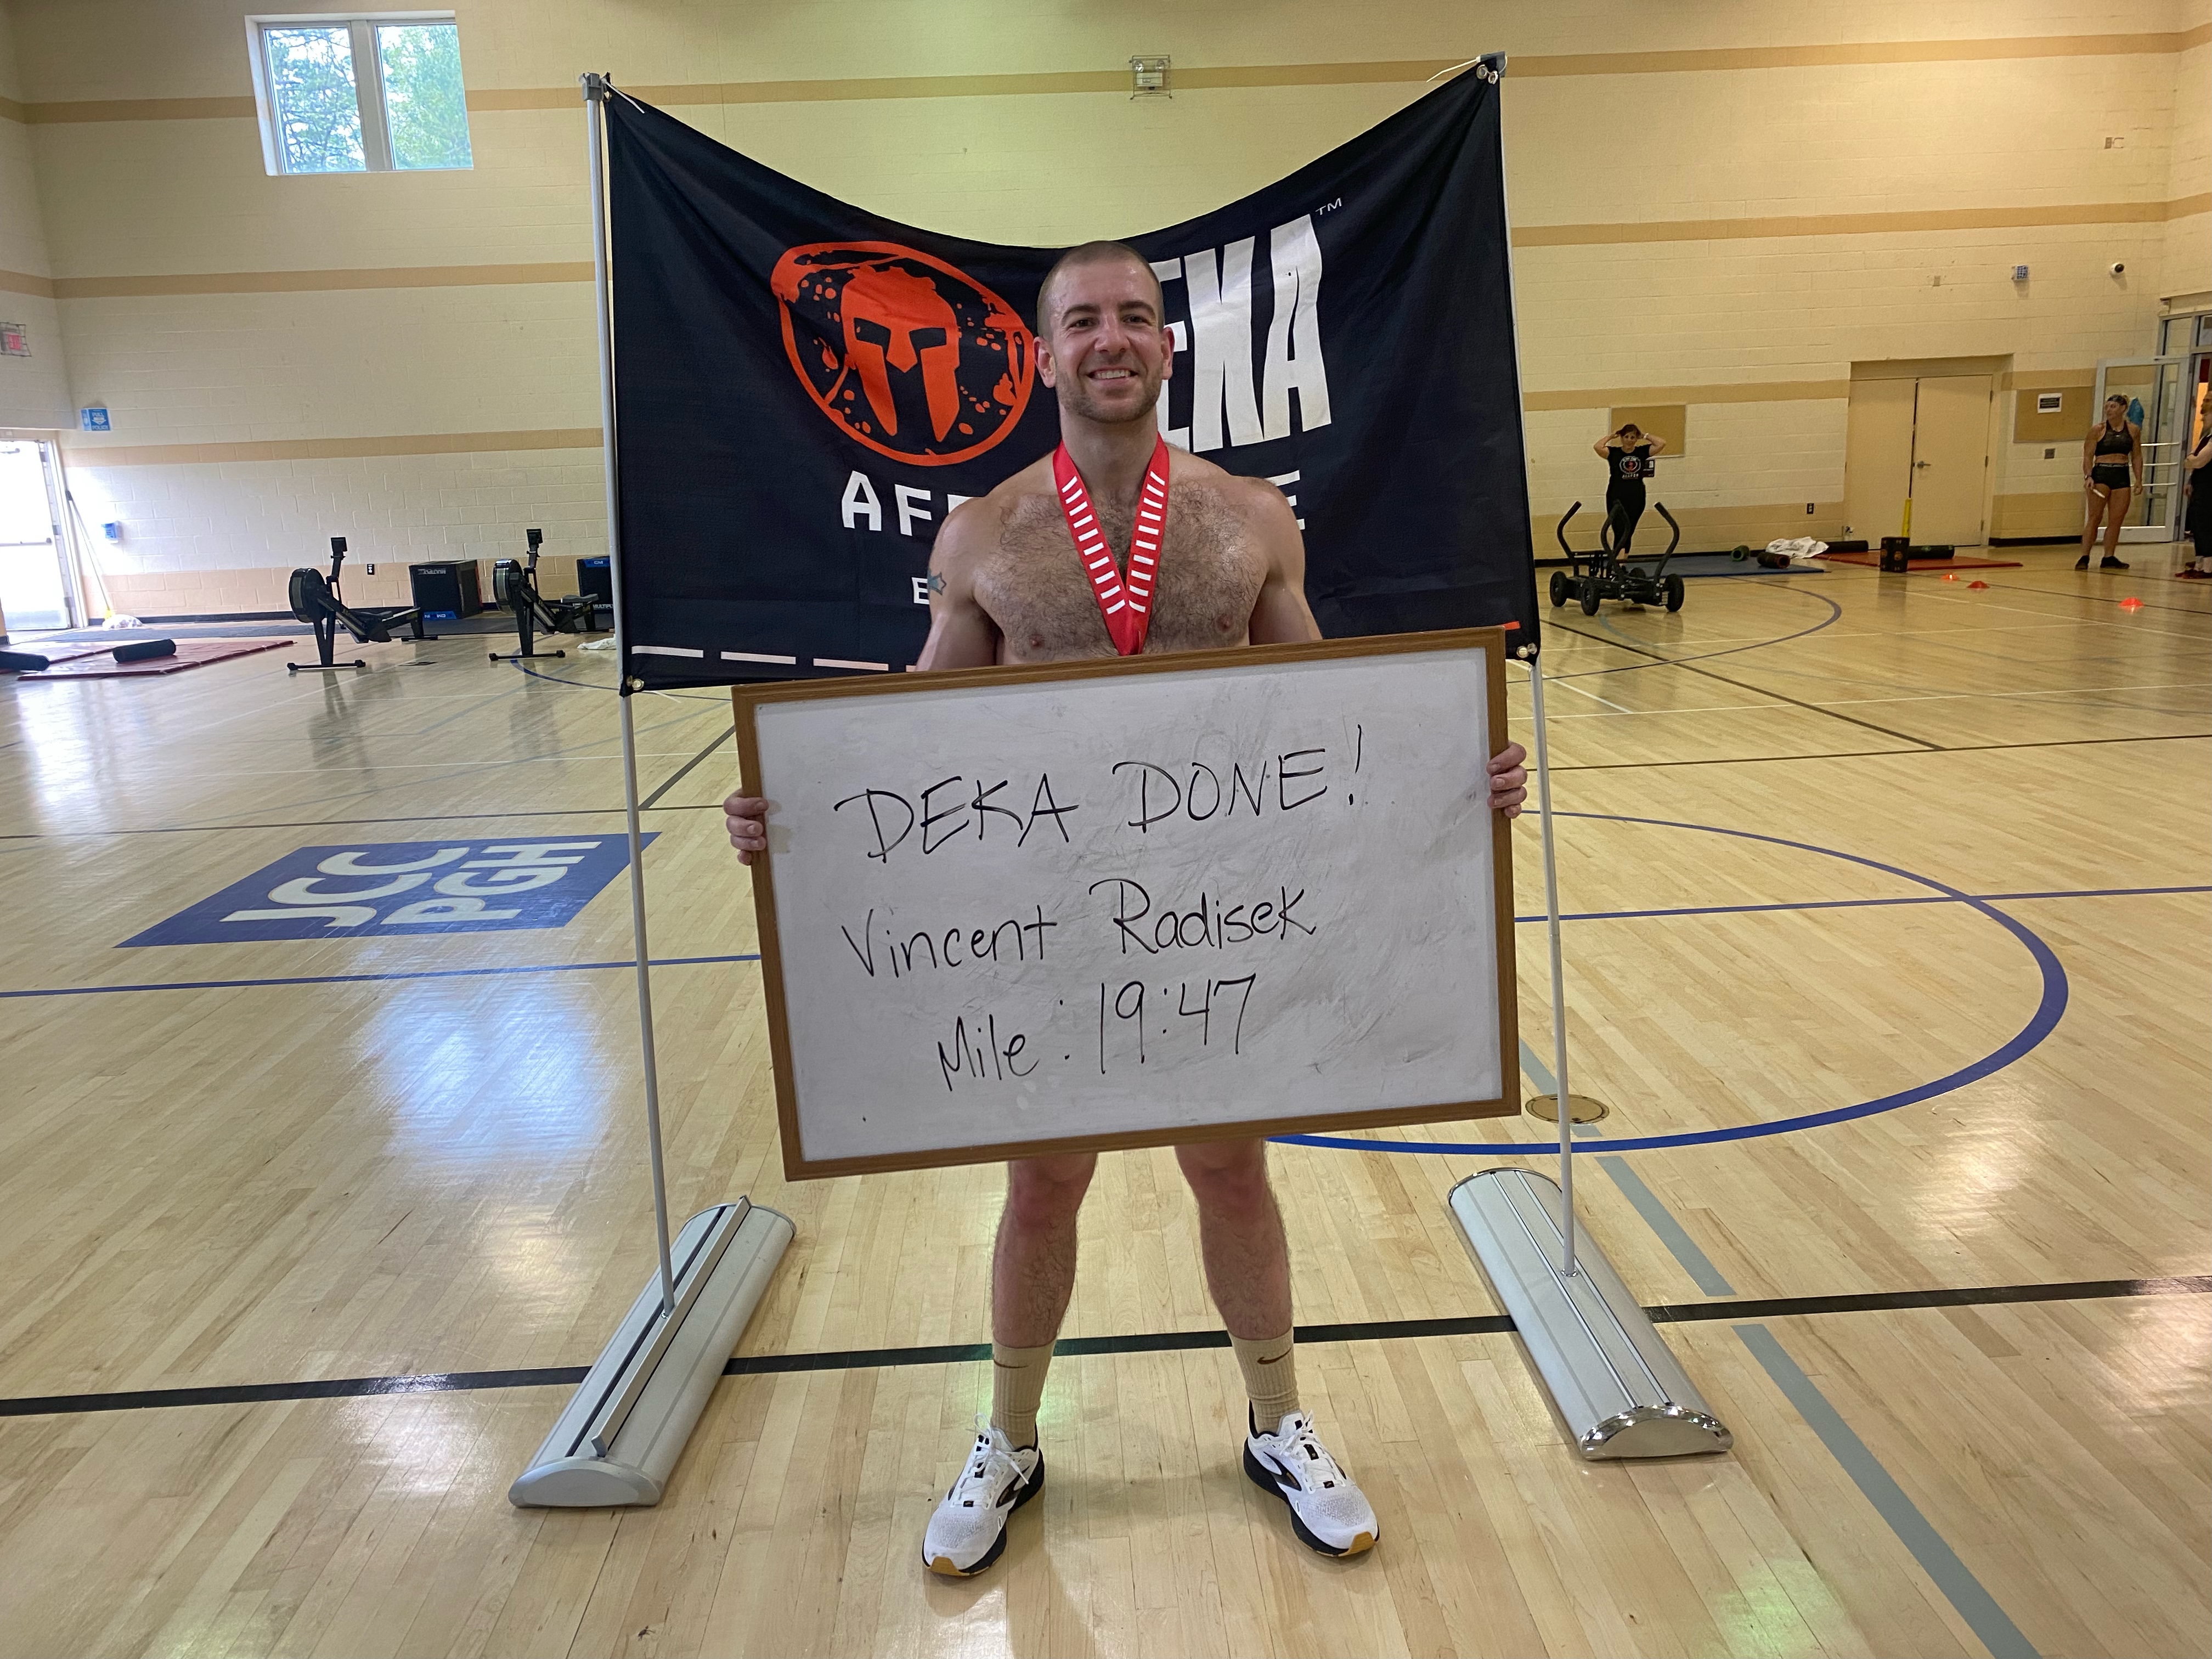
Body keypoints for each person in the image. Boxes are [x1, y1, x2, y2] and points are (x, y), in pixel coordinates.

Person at [723, 241, 1530, 1578]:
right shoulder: (984, 534)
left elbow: (1336, 717)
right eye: (1084, 319)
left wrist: (1459, 773)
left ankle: (1276, 1421)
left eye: (1137, 317)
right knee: (1043, 1185)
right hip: (1050, 930)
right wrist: (793, 817)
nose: (1113, 338)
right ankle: (1009, 1436)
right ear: (1043, 353)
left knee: (1231, 1170)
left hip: (1215, 921)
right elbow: (913, 743)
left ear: (1168, 346)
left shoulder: (1251, 518)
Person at [2077, 394, 2140, 571]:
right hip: (2102, 473)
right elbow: (2088, 456)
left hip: (2121, 474)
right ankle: (2084, 556)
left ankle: (2109, 557)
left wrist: (2139, 479)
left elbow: (2137, 456)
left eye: (2113, 407)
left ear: (2123, 408)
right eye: (2107, 407)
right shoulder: (2098, 430)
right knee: (2095, 517)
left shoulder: (2133, 430)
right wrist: (2088, 476)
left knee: (2116, 520)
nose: (2109, 410)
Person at [1593, 422, 1664, 554]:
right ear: (1622, 438)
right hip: (1616, 497)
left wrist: (1645, 436)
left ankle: (1621, 562)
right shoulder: (1613, 453)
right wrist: (1611, 436)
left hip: (1636, 497)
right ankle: (1617, 561)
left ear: (1636, 439)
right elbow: (1598, 447)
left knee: (1629, 531)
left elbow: (1661, 443)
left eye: (1633, 437)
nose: (1629, 440)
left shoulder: (1641, 452)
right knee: (1619, 530)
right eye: (1626, 437)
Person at [2180, 421, 2211, 579]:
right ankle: (2200, 563)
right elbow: (2189, 461)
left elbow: (2198, 461)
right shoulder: (2206, 438)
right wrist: (2190, 479)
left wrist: (2192, 459)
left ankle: (2208, 567)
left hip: (2209, 487)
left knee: (2205, 525)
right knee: (2197, 524)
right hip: (2200, 485)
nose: (2203, 419)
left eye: (2206, 415)